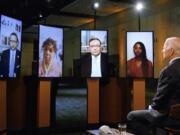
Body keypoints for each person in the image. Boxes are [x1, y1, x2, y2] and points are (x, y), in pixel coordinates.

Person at [127, 37, 180, 135]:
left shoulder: (168, 71)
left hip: (169, 117)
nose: (162, 50)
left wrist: (151, 108)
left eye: (164, 48)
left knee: (132, 116)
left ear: (171, 51)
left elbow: (160, 98)